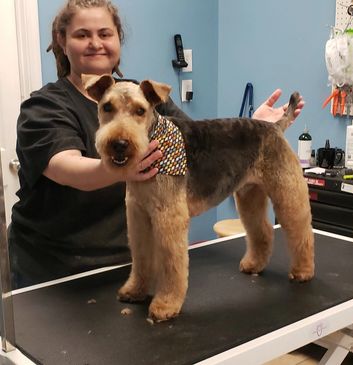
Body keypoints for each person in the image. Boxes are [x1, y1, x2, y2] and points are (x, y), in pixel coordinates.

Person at [8, 0, 304, 289]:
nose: (95, 43)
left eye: (105, 34)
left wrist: (253, 129)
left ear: (118, 39)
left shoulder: (145, 96)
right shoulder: (44, 106)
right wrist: (120, 168)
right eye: (82, 34)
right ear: (62, 40)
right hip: (56, 274)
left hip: (126, 265)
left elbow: (195, 139)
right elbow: (66, 166)